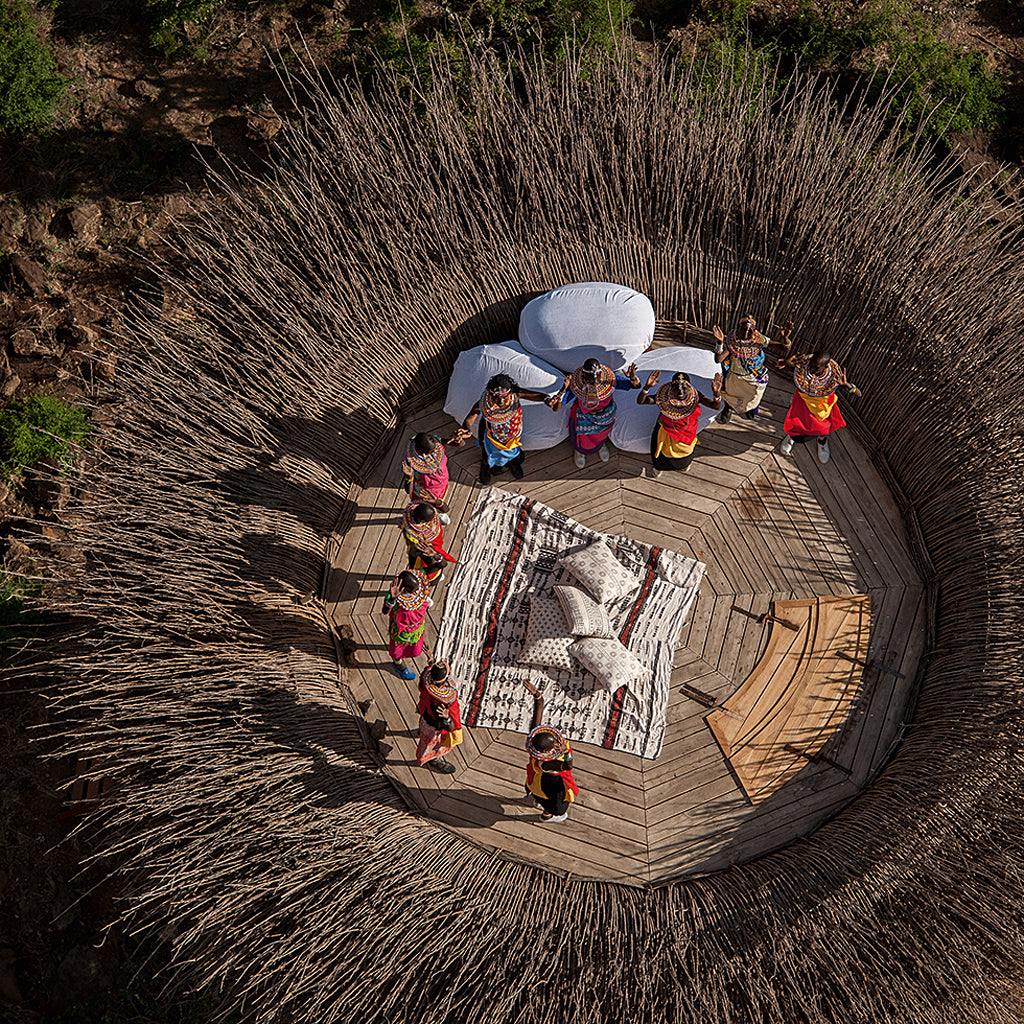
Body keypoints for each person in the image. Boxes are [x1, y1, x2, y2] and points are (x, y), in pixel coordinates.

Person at [451, 373, 551, 485]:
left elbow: (539, 396)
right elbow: (472, 416)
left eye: (504, 397)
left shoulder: (515, 394)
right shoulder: (485, 403)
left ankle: (513, 463)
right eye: (496, 398)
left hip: (514, 437)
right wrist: (466, 428)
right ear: (490, 394)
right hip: (494, 439)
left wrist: (547, 400)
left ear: (510, 392)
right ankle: (486, 468)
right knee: (489, 455)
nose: (501, 401)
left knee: (514, 453)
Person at [546, 358, 642, 468]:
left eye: (597, 377)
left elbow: (636, 386)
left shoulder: (610, 381)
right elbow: (557, 408)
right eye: (590, 378)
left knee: (601, 436)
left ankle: (600, 445)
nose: (594, 381)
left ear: (601, 374)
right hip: (583, 417)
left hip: (605, 416)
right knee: (581, 438)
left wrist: (632, 377)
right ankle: (580, 451)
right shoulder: (576, 385)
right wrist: (563, 389)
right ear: (583, 375)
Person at [777, 349, 860, 464]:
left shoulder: (833, 379)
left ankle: (822, 441)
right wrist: (785, 364)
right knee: (796, 422)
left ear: (825, 367)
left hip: (823, 409)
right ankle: (791, 437)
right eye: (811, 364)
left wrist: (847, 385)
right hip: (802, 403)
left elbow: (858, 394)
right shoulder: (802, 369)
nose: (811, 368)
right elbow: (779, 366)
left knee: (823, 428)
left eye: (816, 367)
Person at [636, 370, 723, 477]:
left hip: (687, 432)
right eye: (677, 388)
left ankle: (683, 466)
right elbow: (641, 401)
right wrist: (646, 387)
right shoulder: (664, 396)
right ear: (671, 388)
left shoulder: (695, 397)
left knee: (685, 453)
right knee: (662, 454)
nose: (681, 391)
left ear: (690, 387)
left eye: (684, 387)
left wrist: (717, 393)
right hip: (666, 431)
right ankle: (659, 467)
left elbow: (715, 406)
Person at [712, 316, 792, 423]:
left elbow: (784, 348)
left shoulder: (759, 340)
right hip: (735, 378)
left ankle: (749, 410)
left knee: (753, 399)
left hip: (754, 379)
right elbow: (719, 359)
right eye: (743, 329)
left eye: (750, 331)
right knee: (731, 396)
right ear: (738, 328)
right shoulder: (732, 342)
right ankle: (728, 409)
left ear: (755, 331)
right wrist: (720, 342)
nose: (746, 334)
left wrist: (785, 337)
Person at [524, 691, 579, 823]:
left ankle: (536, 800)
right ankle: (546, 815)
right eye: (553, 744)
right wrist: (566, 753)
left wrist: (537, 695)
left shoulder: (533, 740)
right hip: (550, 785)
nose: (556, 743)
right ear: (545, 750)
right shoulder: (547, 764)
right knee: (554, 804)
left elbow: (539, 709)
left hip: (535, 777)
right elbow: (567, 765)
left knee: (535, 790)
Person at [415, 656, 463, 774]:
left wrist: (431, 663)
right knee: (432, 746)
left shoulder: (425, 682)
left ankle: (421, 734)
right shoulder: (441, 704)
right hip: (434, 727)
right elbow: (449, 727)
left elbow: (426, 674)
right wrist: (447, 718)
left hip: (425, 717)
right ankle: (432, 760)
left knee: (424, 735)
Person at [381, 569, 431, 680]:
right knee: (396, 651)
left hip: (416, 631)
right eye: (414, 591)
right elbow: (385, 611)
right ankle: (399, 664)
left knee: (415, 650)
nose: (418, 593)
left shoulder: (420, 593)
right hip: (400, 632)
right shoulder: (394, 598)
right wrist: (392, 599)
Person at [401, 432, 453, 523]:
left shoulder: (437, 444)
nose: (433, 453)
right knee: (427, 508)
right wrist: (409, 477)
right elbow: (408, 490)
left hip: (441, 486)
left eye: (434, 450)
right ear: (421, 450)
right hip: (425, 493)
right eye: (430, 452)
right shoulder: (411, 462)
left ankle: (439, 510)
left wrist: (456, 439)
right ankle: (433, 512)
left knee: (438, 501)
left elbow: (459, 444)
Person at [402, 501, 457, 584]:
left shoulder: (420, 546)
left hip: (429, 575)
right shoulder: (433, 529)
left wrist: (415, 575)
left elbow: (439, 565)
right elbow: (442, 564)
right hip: (433, 566)